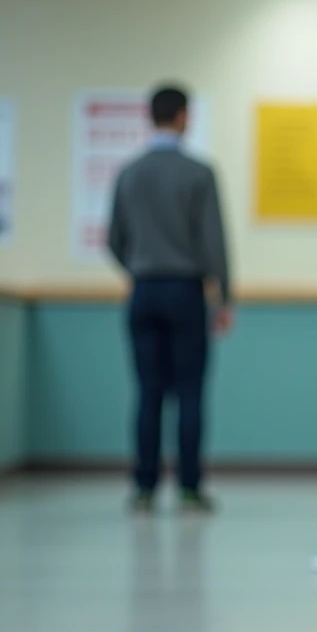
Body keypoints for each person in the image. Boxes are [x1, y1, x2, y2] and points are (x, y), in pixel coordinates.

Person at [107, 85, 232, 514]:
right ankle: (189, 489)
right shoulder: (199, 172)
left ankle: (143, 489)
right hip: (185, 291)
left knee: (147, 392)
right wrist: (225, 294)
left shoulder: (129, 172)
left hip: (142, 290)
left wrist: (139, 266)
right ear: (182, 117)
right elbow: (214, 241)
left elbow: (113, 239)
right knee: (191, 393)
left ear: (150, 117)